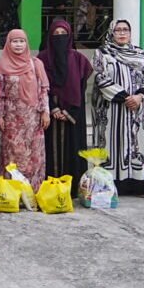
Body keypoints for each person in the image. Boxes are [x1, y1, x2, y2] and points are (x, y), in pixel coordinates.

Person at [91, 19, 144, 195]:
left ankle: (136, 184)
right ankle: (110, 183)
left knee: (136, 145)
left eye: (125, 30)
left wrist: (139, 96)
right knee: (113, 144)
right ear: (111, 32)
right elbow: (100, 78)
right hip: (112, 109)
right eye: (118, 30)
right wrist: (126, 97)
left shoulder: (140, 54)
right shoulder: (103, 53)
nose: (121, 33)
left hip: (137, 109)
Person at [37, 20, 93, 195]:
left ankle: (73, 188)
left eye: (63, 34)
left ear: (69, 36)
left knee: (72, 148)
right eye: (56, 34)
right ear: (49, 36)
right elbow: (39, 86)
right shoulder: (42, 59)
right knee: (50, 150)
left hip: (73, 113)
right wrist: (53, 108)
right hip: (49, 110)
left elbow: (82, 87)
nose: (59, 37)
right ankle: (50, 187)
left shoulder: (79, 59)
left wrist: (68, 110)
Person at [0, 29, 51, 191]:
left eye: (22, 41)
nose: (18, 45)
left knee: (34, 155)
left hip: (33, 118)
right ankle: (12, 191)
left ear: (27, 43)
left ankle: (33, 190)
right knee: (12, 154)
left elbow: (43, 90)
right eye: (14, 41)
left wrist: (45, 112)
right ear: (8, 44)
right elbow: (0, 95)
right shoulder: (2, 66)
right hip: (12, 120)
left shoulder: (36, 64)